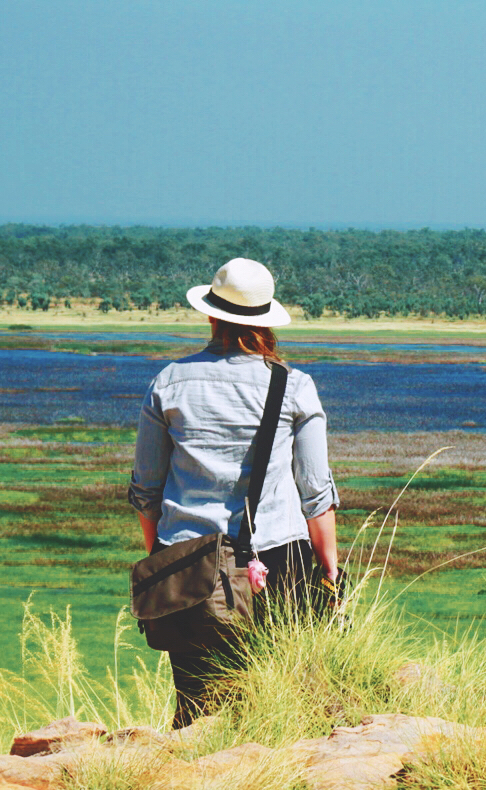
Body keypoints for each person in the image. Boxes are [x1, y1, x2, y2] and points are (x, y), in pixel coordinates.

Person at [127, 257, 340, 728]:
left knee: (197, 708)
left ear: (211, 315)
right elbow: (315, 494)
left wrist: (161, 560)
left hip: (186, 560)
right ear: (265, 321)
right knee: (283, 707)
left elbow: (147, 491)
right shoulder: (296, 387)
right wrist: (329, 572)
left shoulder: (168, 382)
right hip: (280, 562)